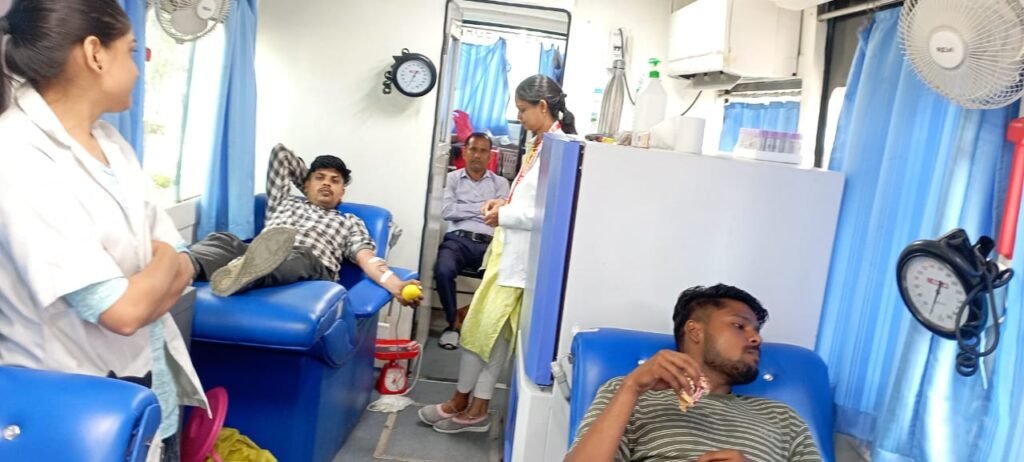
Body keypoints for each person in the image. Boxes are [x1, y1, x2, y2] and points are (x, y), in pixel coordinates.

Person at [0, 1, 205, 460]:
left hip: (150, 400)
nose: (137, 69)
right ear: (95, 53)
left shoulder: (112, 143)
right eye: (131, 51)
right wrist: (165, 261)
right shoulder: (17, 156)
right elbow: (124, 311)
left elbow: (183, 259)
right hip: (75, 416)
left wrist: (165, 265)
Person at [419, 74, 577, 433]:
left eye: (522, 109)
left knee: (482, 331)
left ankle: (467, 405)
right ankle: (470, 405)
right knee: (489, 333)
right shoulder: (540, 145)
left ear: (542, 106)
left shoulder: (560, 149)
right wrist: (503, 203)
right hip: (506, 255)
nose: (518, 117)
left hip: (519, 264)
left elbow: (551, 213)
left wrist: (503, 215)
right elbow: (528, 199)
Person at [565, 284, 823, 462]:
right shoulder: (630, 394)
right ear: (695, 331)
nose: (756, 339)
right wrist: (631, 388)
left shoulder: (782, 418)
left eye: (756, 331)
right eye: (739, 326)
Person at [186, 143, 422, 305]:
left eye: (335, 181)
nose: (327, 183)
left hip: (311, 264)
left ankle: (245, 275)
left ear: (342, 192)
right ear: (305, 184)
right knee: (223, 240)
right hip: (257, 251)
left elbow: (368, 259)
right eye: (320, 178)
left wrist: (395, 285)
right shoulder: (282, 201)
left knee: (299, 254)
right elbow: (280, 154)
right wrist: (309, 184)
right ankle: (184, 267)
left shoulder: (350, 222)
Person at [435, 132, 510, 349]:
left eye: (483, 151)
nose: (477, 155)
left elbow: (501, 214)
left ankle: (467, 316)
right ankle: (452, 325)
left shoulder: (501, 183)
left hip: (489, 243)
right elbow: (447, 211)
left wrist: (464, 208)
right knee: (443, 270)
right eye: (473, 149)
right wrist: (483, 208)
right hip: (457, 241)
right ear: (465, 152)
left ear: (490, 155)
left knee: (503, 278)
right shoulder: (452, 179)